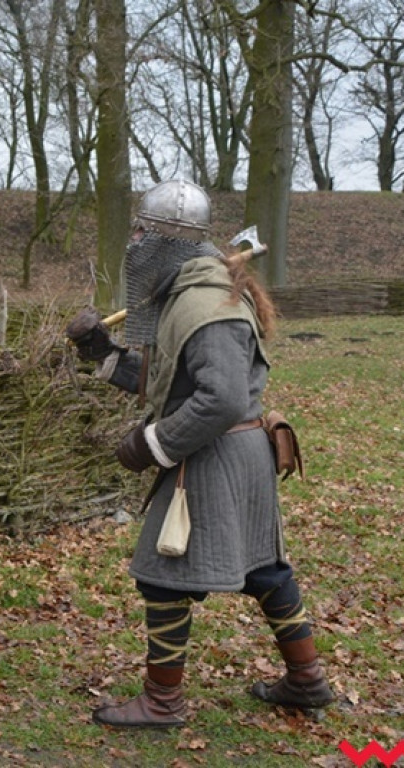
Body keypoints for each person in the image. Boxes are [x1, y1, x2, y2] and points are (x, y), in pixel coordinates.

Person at [65, 179, 333, 728]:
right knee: (265, 570)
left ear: (166, 240)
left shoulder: (209, 304)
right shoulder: (194, 291)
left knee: (162, 576)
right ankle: (307, 680)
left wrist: (152, 445)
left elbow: (223, 398)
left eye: (144, 231)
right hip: (238, 452)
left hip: (213, 457)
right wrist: (103, 353)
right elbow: (171, 384)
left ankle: (162, 703)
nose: (134, 240)